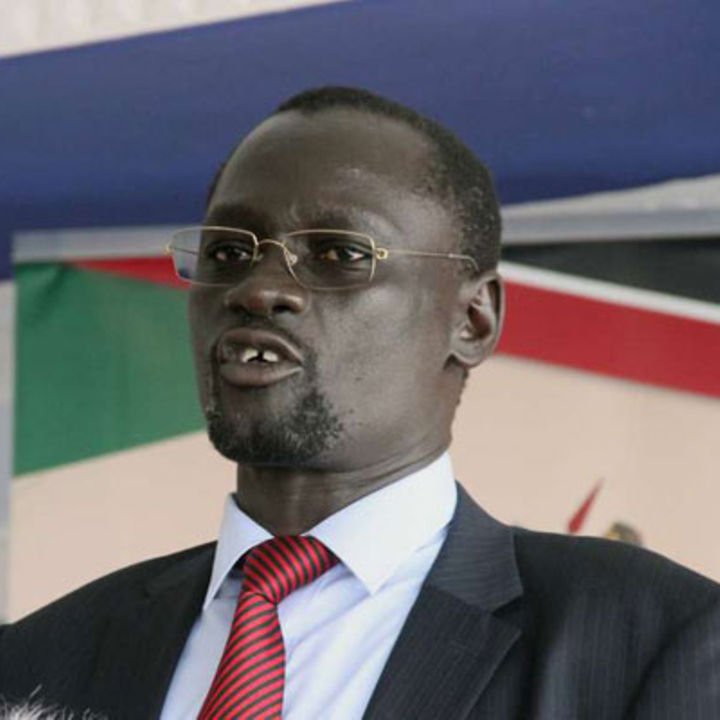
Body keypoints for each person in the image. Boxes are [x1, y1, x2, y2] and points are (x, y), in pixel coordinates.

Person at [1, 86, 719, 719]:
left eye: (339, 254)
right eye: (227, 252)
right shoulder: (39, 659)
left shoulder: (651, 640)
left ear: (472, 321)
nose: (258, 289)